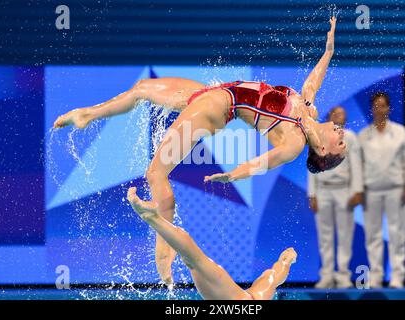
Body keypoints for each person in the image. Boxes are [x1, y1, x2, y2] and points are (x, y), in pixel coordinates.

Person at [53, 17, 345, 287]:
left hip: (216, 108)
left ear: (321, 149)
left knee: (156, 173)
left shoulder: (294, 142)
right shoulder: (309, 107)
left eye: (340, 144)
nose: (342, 133)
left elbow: (261, 163)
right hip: (214, 93)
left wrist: (233, 174)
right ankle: (87, 115)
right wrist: (329, 49)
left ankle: (164, 250)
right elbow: (313, 80)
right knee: (142, 88)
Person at [127, 187, 297, 300]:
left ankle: (153, 218)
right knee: (193, 260)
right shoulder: (258, 294)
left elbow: (275, 274)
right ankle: (152, 217)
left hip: (236, 296)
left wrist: (287, 259)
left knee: (193, 260)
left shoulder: (261, 292)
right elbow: (274, 275)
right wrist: (286, 261)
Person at [359, 92, 405, 289]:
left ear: (388, 108)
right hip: (371, 191)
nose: (379, 109)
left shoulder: (400, 132)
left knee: (396, 234)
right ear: (372, 109)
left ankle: (397, 277)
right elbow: (358, 165)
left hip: (396, 190)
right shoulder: (363, 135)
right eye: (376, 106)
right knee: (373, 236)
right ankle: (375, 277)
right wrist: (359, 189)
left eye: (383, 105)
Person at [308, 106, 363, 289]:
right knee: (325, 235)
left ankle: (343, 276)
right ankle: (326, 275)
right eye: (336, 113)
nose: (340, 115)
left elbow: (356, 165)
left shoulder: (351, 137)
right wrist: (312, 194)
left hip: (344, 190)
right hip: (323, 190)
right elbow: (312, 166)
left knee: (345, 234)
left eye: (343, 113)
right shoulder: (320, 136)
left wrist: (357, 190)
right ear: (330, 116)